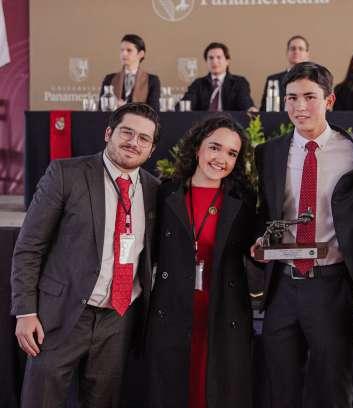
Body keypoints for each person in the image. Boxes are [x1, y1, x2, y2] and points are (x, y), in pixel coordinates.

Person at [11, 103, 160, 408]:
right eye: (127, 132)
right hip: (59, 315)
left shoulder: (155, 190)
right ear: (108, 133)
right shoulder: (66, 174)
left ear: (152, 149)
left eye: (144, 138)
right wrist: (25, 312)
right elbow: (30, 246)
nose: (134, 142)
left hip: (118, 319)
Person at [251, 61, 353, 408]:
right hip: (281, 287)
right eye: (292, 98)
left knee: (334, 389)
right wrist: (261, 241)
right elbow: (266, 212)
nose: (300, 106)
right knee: (281, 389)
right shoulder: (269, 152)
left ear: (329, 100)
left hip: (331, 285)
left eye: (310, 97)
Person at [145, 115, 256, 408]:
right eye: (215, 147)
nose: (221, 159)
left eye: (232, 153)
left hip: (223, 312)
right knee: (173, 390)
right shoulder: (165, 193)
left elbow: (254, 256)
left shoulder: (243, 199)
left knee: (217, 392)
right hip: (172, 310)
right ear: (197, 148)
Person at [180, 42, 256, 111]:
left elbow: (245, 101)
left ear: (227, 61)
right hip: (204, 121)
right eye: (211, 58)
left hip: (229, 121)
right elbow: (186, 103)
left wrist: (250, 108)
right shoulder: (198, 84)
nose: (214, 61)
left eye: (219, 57)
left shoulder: (239, 83)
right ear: (206, 62)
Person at [99, 34, 161, 112]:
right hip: (114, 119)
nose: (124, 53)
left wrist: (126, 107)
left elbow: (154, 110)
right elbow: (100, 109)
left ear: (141, 54)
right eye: (122, 50)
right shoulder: (109, 79)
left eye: (129, 50)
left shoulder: (152, 80)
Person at [259, 35, 310, 111]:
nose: (296, 52)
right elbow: (264, 110)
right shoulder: (273, 80)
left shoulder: (315, 80)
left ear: (307, 54)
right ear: (287, 53)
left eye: (301, 49)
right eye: (293, 48)